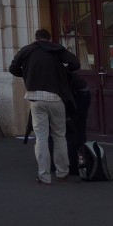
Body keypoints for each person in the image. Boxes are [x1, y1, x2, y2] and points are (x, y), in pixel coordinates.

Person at [9, 28, 80, 184]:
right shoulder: (57, 49)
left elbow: (13, 68)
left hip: (35, 98)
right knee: (59, 136)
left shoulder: (27, 50)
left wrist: (27, 74)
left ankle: (44, 175)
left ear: (36, 38)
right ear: (49, 39)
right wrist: (63, 72)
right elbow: (75, 63)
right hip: (56, 97)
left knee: (41, 138)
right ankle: (62, 173)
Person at [65, 71, 92, 177]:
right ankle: (80, 164)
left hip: (78, 93)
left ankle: (76, 165)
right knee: (77, 130)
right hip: (78, 92)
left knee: (74, 130)